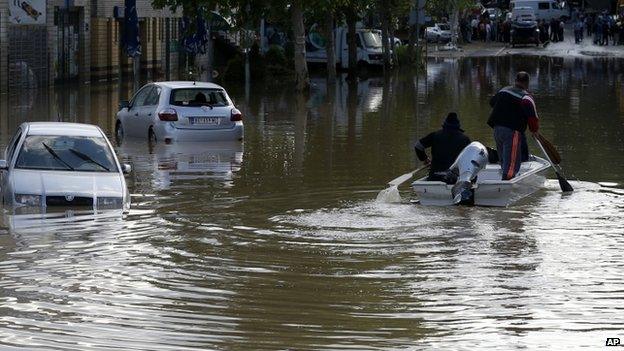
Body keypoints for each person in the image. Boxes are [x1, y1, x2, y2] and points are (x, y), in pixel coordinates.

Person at [487, 72, 540, 180]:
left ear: (515, 81)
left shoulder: (504, 90)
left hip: (497, 129)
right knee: (512, 162)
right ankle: (507, 182)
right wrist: (534, 131)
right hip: (512, 131)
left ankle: (503, 179)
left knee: (503, 159)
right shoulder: (526, 97)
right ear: (527, 83)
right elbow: (532, 118)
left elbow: (492, 102)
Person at [415, 113, 472, 181]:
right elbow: (470, 159)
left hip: (435, 176)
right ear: (458, 126)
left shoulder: (435, 135)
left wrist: (425, 159)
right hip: (454, 178)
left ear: (445, 124)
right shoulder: (465, 139)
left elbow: (418, 146)